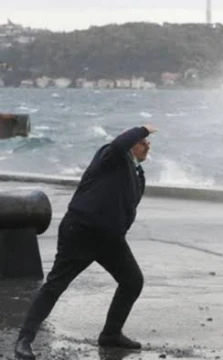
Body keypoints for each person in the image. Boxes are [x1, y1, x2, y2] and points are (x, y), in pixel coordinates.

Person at [14, 125, 156, 359]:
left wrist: (119, 230)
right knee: (55, 286)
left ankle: (111, 334)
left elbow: (129, 207)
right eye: (142, 142)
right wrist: (142, 129)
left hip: (110, 239)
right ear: (130, 144)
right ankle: (24, 341)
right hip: (80, 232)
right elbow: (119, 144)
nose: (147, 145)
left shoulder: (138, 173)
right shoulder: (110, 156)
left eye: (147, 142)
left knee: (132, 281)